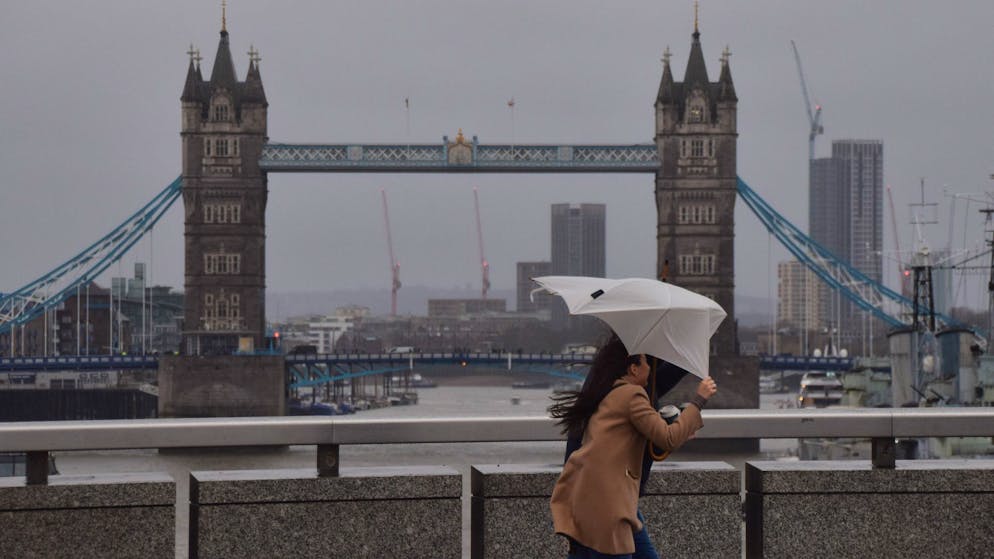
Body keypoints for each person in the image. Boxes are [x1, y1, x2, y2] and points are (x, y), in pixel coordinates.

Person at [548, 334, 717, 558]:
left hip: (596, 496)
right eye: (645, 362)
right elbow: (667, 438)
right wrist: (699, 400)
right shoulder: (631, 394)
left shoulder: (607, 388)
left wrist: (679, 425)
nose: (649, 366)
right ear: (634, 369)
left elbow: (634, 429)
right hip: (608, 503)